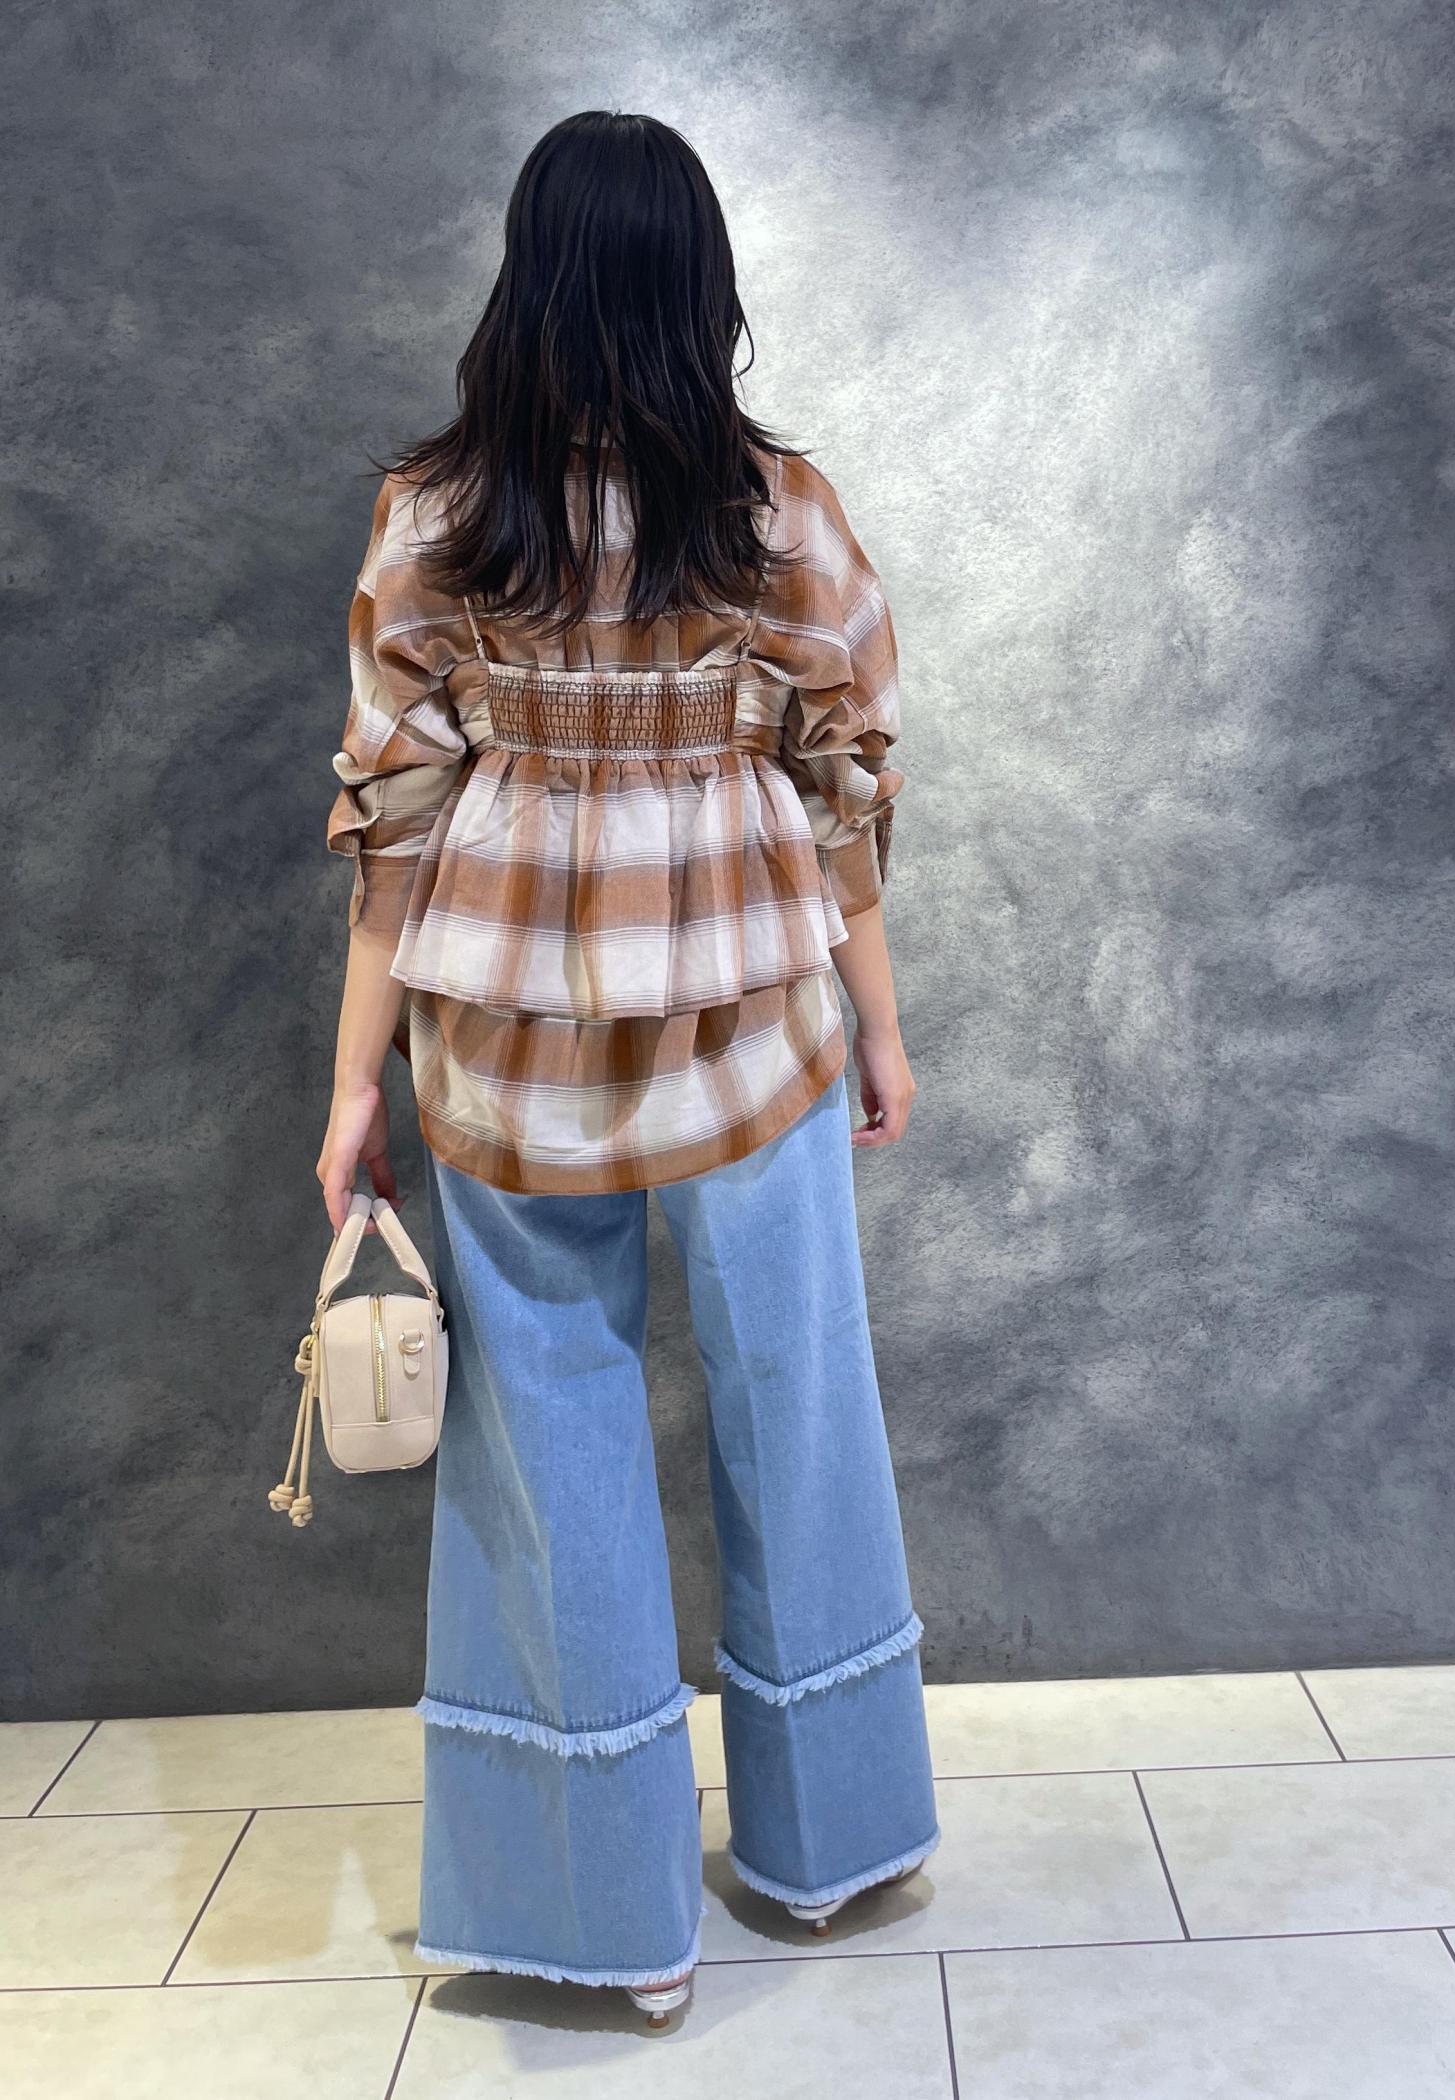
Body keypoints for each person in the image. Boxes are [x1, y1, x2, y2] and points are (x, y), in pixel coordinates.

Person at [314, 108, 939, 2027]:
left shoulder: (436, 517)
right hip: (752, 1038)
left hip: (505, 1055)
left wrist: (352, 1090)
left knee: (547, 1448)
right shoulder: (782, 512)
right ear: (701, 284)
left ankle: (610, 1932)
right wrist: (882, 1023)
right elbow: (847, 791)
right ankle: (827, 1857)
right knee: (798, 1408)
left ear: (528, 278)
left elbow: (390, 830)